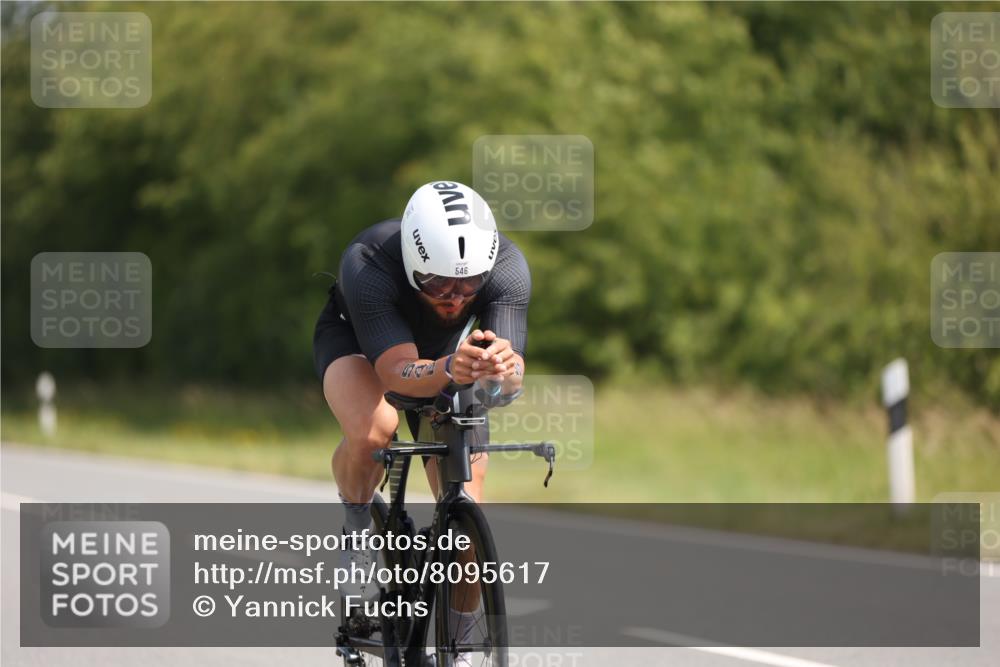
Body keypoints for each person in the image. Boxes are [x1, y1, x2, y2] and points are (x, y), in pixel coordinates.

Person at [313, 181, 531, 646]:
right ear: (413, 264)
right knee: (376, 430)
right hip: (361, 346)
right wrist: (452, 367)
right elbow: (394, 374)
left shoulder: (508, 268)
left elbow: (506, 387)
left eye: (470, 283)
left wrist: (502, 374)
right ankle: (357, 535)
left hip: (447, 357)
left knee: (469, 519)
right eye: (437, 283)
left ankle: (461, 648)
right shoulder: (369, 261)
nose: (455, 296)